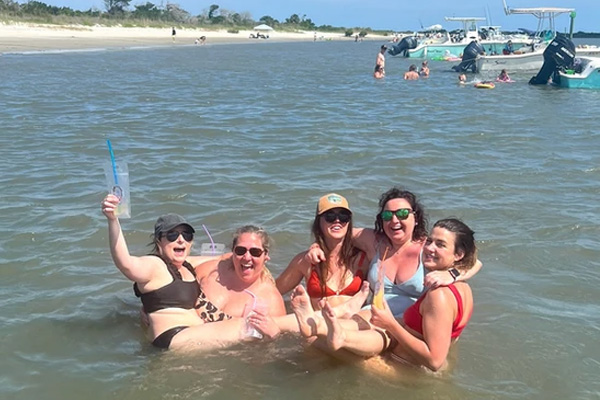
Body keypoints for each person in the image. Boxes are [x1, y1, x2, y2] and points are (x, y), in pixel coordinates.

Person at [101, 193, 285, 350]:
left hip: (185, 338)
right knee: (246, 326)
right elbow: (125, 263)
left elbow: (220, 258)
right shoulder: (155, 264)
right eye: (172, 236)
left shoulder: (185, 267)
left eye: (186, 236)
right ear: (159, 241)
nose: (180, 240)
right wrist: (113, 220)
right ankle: (297, 323)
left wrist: (240, 256)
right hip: (173, 337)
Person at [294, 218, 477, 372]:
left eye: (441, 244)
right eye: (429, 241)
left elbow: (434, 362)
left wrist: (390, 323)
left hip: (396, 367)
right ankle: (320, 324)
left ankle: (322, 328)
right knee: (351, 328)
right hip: (399, 355)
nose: (429, 248)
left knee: (314, 341)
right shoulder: (462, 286)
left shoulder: (439, 295)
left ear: (459, 254)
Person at [306, 187, 481, 319]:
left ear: (416, 218)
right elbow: (336, 230)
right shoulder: (374, 241)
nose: (394, 220)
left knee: (333, 329)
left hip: (409, 324)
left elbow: (474, 262)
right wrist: (316, 245)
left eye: (403, 213)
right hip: (374, 315)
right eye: (388, 216)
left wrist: (452, 274)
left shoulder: (429, 248)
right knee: (324, 330)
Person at [276, 194, 370, 310]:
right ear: (318, 222)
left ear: (349, 222)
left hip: (353, 324)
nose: (337, 220)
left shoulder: (363, 258)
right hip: (321, 324)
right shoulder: (305, 261)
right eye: (330, 216)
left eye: (343, 216)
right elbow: (274, 291)